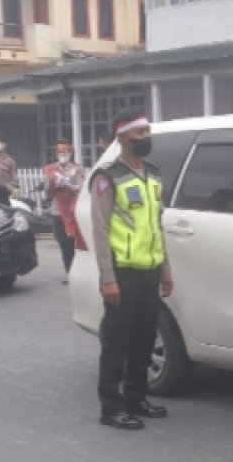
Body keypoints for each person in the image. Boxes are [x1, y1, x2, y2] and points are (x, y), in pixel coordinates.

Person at [91, 108, 174, 430]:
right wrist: (107, 278)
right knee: (117, 341)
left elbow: (156, 224)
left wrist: (166, 269)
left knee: (143, 338)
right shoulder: (107, 177)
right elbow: (99, 230)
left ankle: (136, 398)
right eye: (138, 134)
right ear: (122, 138)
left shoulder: (153, 174)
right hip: (122, 271)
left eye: (147, 133)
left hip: (149, 268)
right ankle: (111, 406)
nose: (145, 139)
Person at [43, 141, 85, 282]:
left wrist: (68, 185)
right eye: (60, 153)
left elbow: (81, 187)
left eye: (65, 152)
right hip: (58, 210)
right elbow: (47, 193)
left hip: (73, 209)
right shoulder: (51, 169)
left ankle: (80, 272)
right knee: (64, 244)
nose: (62, 155)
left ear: (70, 153)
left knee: (77, 243)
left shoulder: (78, 169)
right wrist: (50, 183)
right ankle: (70, 273)